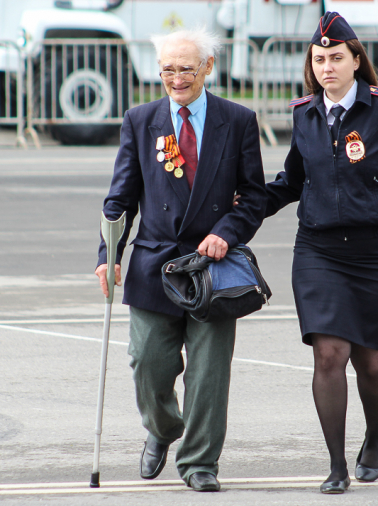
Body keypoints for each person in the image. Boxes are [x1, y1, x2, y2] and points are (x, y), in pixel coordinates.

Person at [95, 28, 266, 492]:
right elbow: (120, 198)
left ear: (207, 67)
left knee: (209, 372)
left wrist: (225, 234)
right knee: (147, 363)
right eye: (168, 69)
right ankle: (164, 428)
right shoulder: (140, 119)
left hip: (212, 267)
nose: (176, 78)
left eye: (186, 68)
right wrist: (108, 255)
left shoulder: (238, 120)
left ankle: (199, 462)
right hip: (155, 265)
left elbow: (253, 196)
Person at [263, 12, 378, 494]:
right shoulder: (304, 114)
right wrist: (244, 205)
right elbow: (293, 180)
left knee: (371, 363)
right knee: (329, 355)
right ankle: (335, 465)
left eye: (336, 57)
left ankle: (373, 438)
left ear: (357, 60)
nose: (327, 67)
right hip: (319, 250)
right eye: (319, 59)